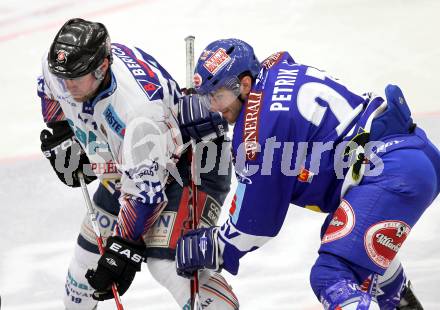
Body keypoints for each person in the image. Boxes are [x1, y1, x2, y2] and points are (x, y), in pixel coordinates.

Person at [175, 38, 440, 309]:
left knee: (332, 276)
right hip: (410, 155)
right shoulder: (274, 68)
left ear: (244, 84)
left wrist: (215, 244)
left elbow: (254, 225)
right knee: (346, 244)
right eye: (207, 99)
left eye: (217, 97)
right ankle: (402, 304)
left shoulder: (256, 132)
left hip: (390, 169)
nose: (214, 108)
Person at [37, 19, 239, 309]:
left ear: (101, 68)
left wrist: (123, 248)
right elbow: (50, 93)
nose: (67, 87)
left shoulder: (137, 113)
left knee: (169, 262)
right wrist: (62, 132)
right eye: (63, 77)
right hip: (131, 166)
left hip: (190, 162)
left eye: (76, 79)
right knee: (84, 267)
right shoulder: (61, 71)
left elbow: (145, 196)